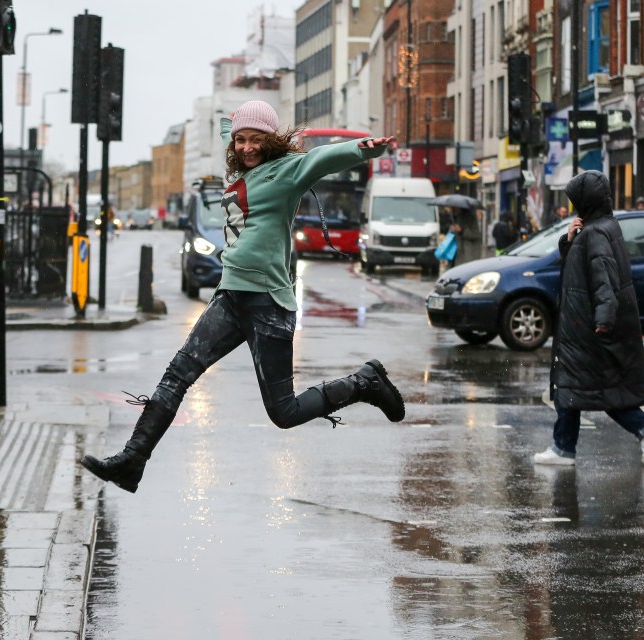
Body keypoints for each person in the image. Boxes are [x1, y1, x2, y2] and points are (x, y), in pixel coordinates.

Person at [80, 100, 406, 493]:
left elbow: (322, 158)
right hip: (231, 296)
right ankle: (132, 461)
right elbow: (226, 127)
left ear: (271, 141)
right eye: (241, 141)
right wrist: (234, 122)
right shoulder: (236, 166)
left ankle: (363, 383)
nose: (247, 147)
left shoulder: (285, 172)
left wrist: (366, 148)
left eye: (256, 140)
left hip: (268, 302)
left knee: (283, 413)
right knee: (176, 375)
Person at [533, 170, 644, 466]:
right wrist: (568, 243)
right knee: (579, 387)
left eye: (575, 199)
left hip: (585, 328)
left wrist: (604, 318)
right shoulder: (601, 228)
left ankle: (640, 429)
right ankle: (564, 445)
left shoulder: (596, 234)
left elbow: (605, 277)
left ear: (585, 200)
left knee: (586, 388)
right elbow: (581, 270)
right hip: (583, 324)